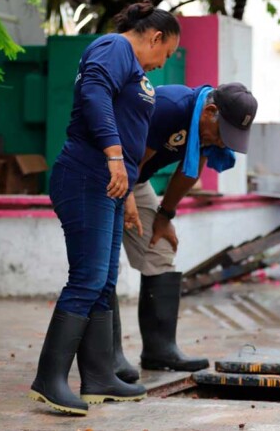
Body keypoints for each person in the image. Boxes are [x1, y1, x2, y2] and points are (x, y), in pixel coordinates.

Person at [28, 1, 180, 416]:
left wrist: (126, 186)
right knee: (88, 278)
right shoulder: (115, 47)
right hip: (86, 175)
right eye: (166, 54)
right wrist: (113, 155)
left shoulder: (130, 64)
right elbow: (94, 93)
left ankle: (98, 377)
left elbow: (128, 125)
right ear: (155, 37)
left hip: (110, 184)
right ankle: (49, 379)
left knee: (104, 281)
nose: (162, 65)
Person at [105, 83, 258, 382]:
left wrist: (165, 215)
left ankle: (160, 350)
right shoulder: (169, 108)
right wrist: (126, 198)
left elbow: (190, 170)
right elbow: (130, 157)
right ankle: (108, 357)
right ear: (210, 112)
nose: (222, 142)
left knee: (160, 250)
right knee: (103, 262)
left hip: (135, 180)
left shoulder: (205, 128)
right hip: (109, 173)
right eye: (222, 134)